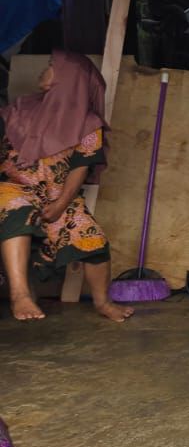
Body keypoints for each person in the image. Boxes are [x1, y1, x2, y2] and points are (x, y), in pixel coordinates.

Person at [1, 51, 129, 323]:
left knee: (93, 240)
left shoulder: (88, 124)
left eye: (50, 67)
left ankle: (103, 302)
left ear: (67, 78)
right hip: (13, 187)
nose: (43, 71)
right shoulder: (22, 108)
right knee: (16, 215)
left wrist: (60, 205)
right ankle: (20, 295)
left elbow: (79, 169)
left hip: (59, 195)